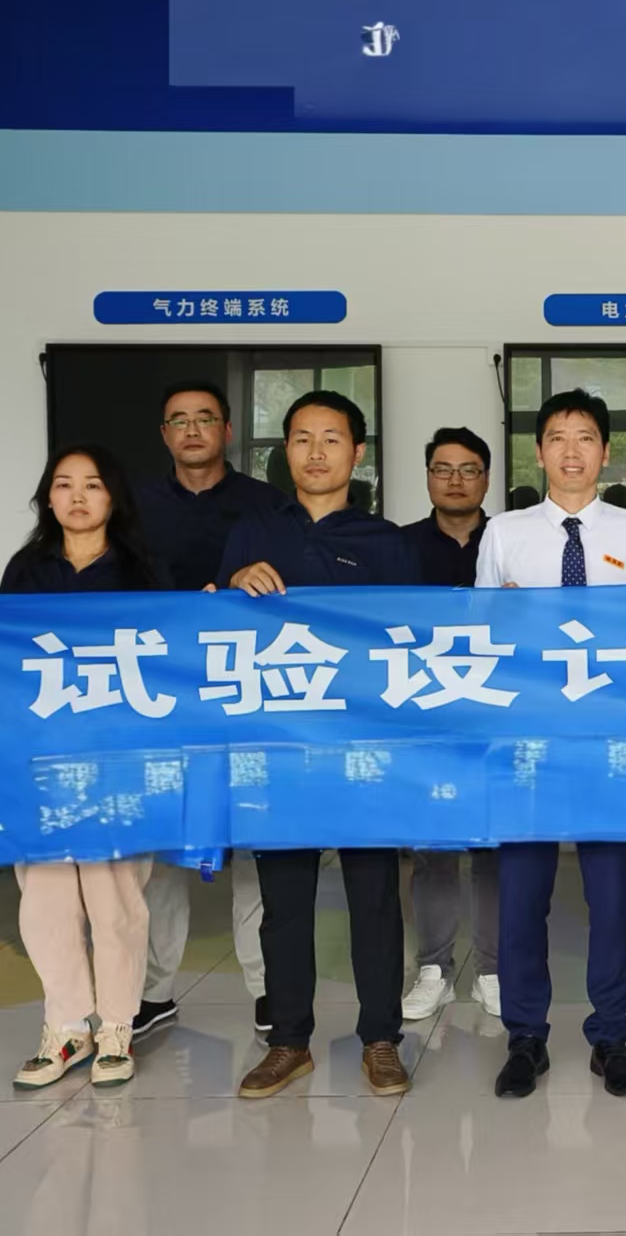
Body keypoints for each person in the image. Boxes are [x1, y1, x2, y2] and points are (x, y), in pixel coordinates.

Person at [217, 390, 421, 1099]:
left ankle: (381, 1038)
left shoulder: (387, 542)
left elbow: (411, 643)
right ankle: (289, 1040)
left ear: (356, 452)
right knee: (284, 899)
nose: (315, 452)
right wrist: (231, 584)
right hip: (279, 747)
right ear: (286, 450)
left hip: (363, 747)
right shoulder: (251, 531)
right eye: (302, 438)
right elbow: (214, 630)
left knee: (374, 896)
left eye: (331, 438)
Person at [475, 389, 626, 1098]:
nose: (572, 450)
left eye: (585, 437)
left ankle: (610, 1034)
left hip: (607, 736)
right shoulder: (504, 532)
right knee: (523, 894)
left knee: (612, 895)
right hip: (528, 735)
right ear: (539, 452)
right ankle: (525, 1034)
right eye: (558, 437)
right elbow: (482, 636)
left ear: (605, 452)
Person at [0, 446, 167, 1089]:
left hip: (119, 761)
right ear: (48, 498)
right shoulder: (27, 569)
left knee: (115, 899)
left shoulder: (143, 569)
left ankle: (116, 1026)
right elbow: (2, 658)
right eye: (64, 485)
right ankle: (65, 1027)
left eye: (92, 484)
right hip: (43, 761)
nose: (78, 496)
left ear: (114, 497)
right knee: (46, 898)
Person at [131, 382, 283, 1040]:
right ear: (164, 434)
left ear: (226, 430)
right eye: (179, 420)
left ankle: (268, 989)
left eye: (205, 419)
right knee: (163, 850)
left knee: (254, 846)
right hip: (160, 698)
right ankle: (152, 992)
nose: (192, 430)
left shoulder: (267, 506)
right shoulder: (131, 506)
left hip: (246, 696)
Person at [399, 427, 503, 1021]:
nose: (456, 480)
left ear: (486, 478)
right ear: (428, 477)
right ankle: (434, 968)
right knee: (433, 848)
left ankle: (493, 969)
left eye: (468, 470)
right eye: (443, 469)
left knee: (495, 847)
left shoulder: (510, 540)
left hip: (497, 712)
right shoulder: (400, 546)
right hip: (426, 713)